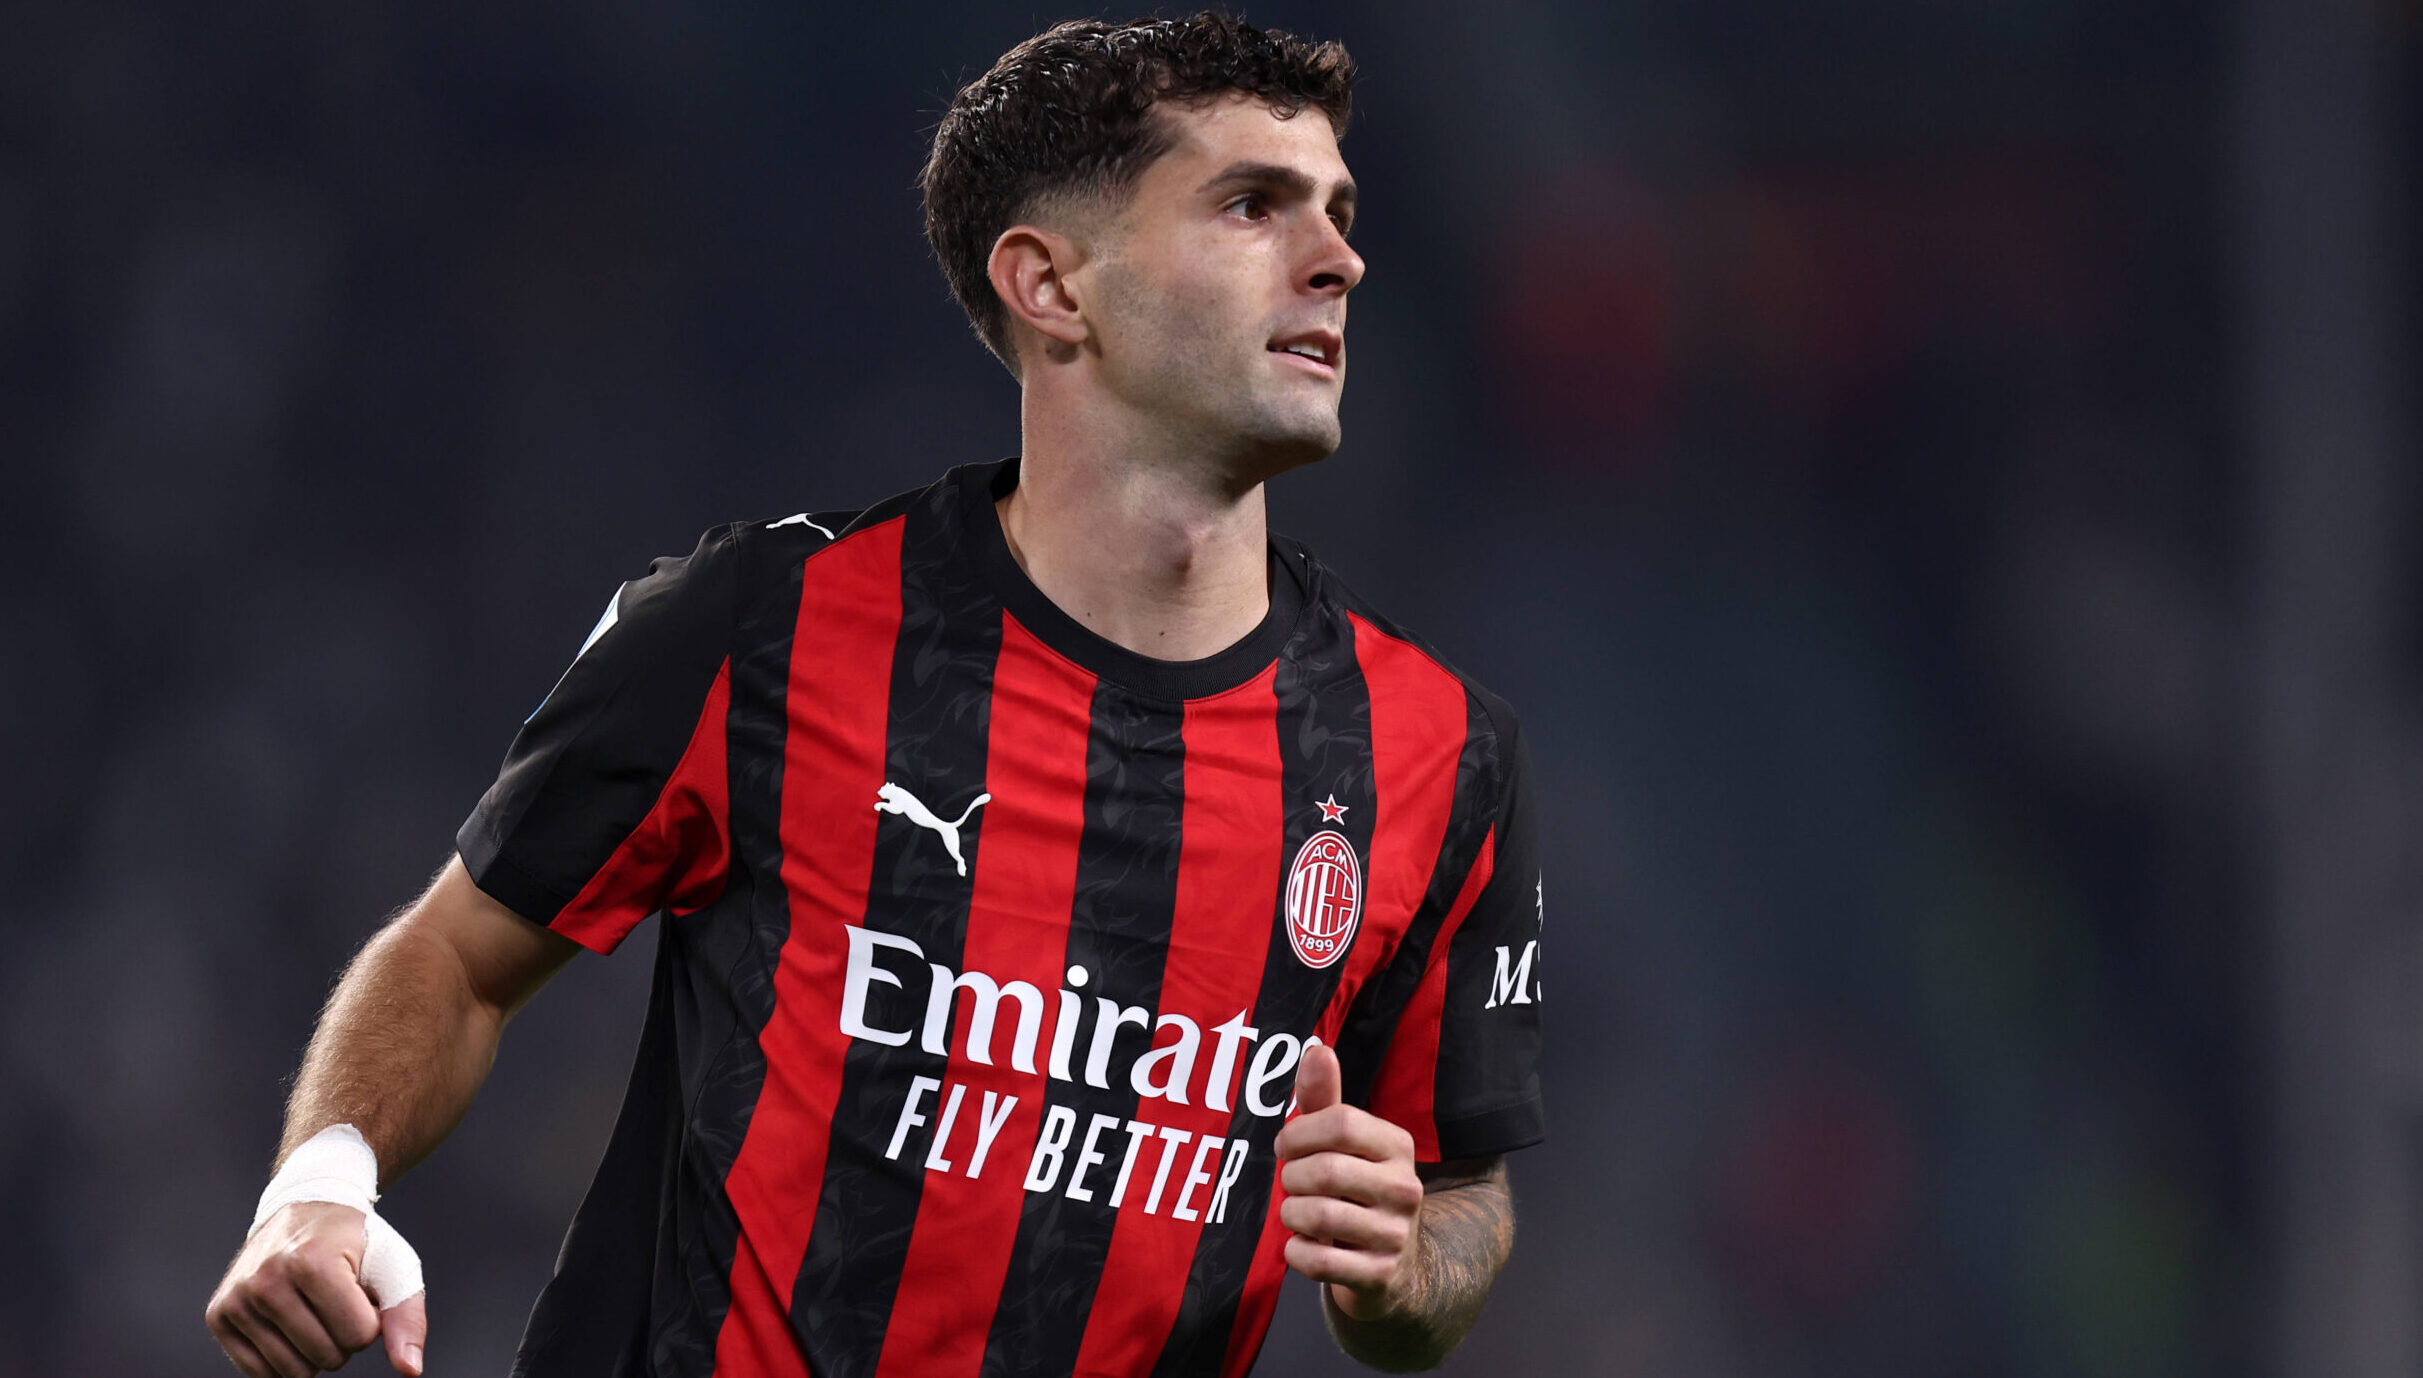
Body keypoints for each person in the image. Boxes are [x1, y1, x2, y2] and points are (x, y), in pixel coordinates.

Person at [205, 13, 1545, 1377]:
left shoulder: (1439, 753)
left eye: (1340, 211)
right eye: (1254, 205)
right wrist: (323, 1173)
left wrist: (1401, 1272)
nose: (1339, 259)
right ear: (1050, 285)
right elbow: (458, 956)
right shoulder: (762, 625)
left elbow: (1461, 1194)